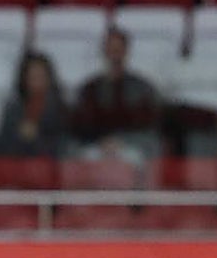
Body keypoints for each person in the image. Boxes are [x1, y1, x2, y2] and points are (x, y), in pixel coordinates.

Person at [67, 26, 161, 164]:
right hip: (96, 146)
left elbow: (149, 125)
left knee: (138, 157)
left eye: (119, 49)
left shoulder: (143, 88)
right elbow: (80, 126)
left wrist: (122, 141)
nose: (115, 54)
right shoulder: (89, 89)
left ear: (126, 51)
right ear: (104, 51)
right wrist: (101, 142)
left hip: (132, 146)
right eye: (111, 49)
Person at [0, 52, 67, 158]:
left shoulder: (60, 109)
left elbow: (61, 145)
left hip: (49, 165)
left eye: (41, 75)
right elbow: (5, 139)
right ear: (24, 78)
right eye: (32, 76)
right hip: (15, 163)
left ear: (49, 78)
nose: (37, 81)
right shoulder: (13, 107)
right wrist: (21, 135)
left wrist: (34, 137)